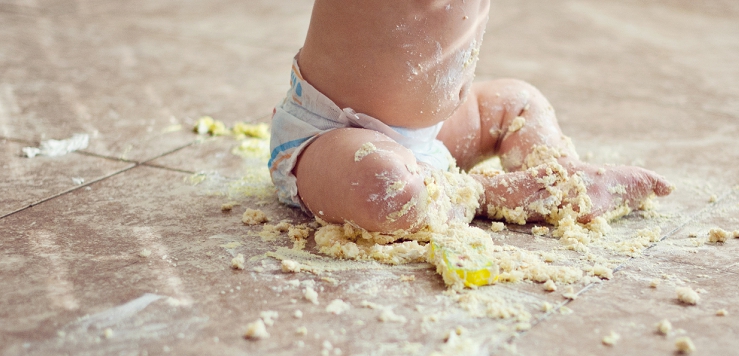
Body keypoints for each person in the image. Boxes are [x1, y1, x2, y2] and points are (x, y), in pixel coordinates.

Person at [269, 0, 673, 234]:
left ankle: (559, 178)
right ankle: (486, 192)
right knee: (389, 191)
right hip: (334, 134)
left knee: (517, 101)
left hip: (437, 131)